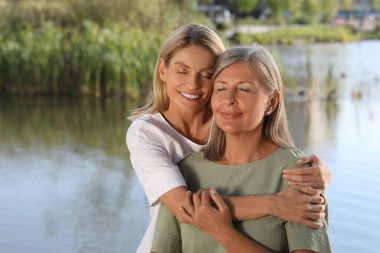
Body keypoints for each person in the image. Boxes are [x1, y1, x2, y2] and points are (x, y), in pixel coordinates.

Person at [126, 24, 331, 253]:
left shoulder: (294, 173)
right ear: (162, 69)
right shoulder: (169, 155)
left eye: (206, 75)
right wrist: (274, 204)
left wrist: (321, 173)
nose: (193, 84)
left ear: (271, 102)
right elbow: (185, 208)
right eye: (222, 88)